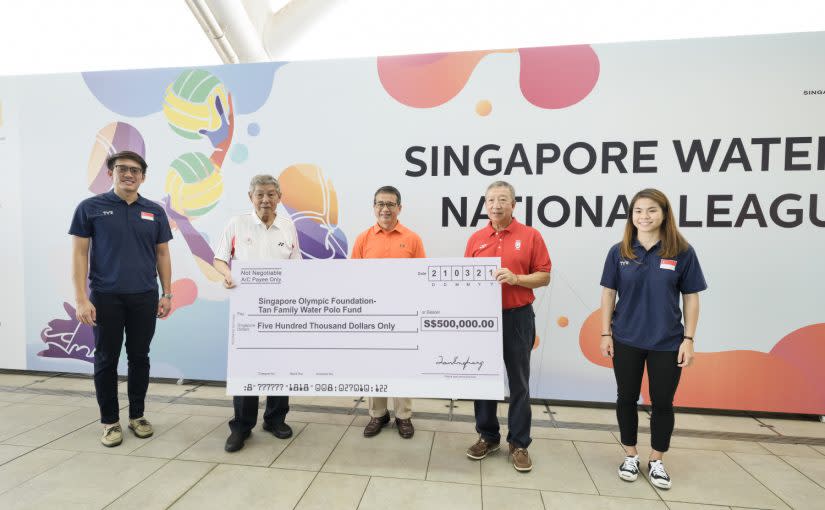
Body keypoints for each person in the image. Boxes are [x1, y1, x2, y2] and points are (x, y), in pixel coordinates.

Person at [599, 188, 706, 490]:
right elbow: (608, 293)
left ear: (664, 214)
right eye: (638, 211)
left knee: (662, 402)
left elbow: (691, 298)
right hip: (626, 338)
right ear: (631, 216)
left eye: (651, 211)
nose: (644, 217)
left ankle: (657, 459)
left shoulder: (682, 251)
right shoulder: (619, 251)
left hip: (667, 341)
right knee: (626, 398)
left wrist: (689, 339)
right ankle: (630, 454)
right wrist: (606, 333)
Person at [70, 150, 173, 447]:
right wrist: (81, 299)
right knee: (106, 359)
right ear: (110, 173)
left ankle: (137, 416)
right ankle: (110, 422)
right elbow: (79, 255)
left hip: (144, 296)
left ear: (143, 176)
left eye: (135, 170)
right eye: (122, 169)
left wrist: (167, 292)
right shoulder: (90, 208)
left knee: (140, 357)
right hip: (105, 297)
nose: (129, 174)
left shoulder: (154, 211)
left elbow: (162, 254)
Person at [464, 181, 551, 472]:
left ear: (514, 204)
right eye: (490, 200)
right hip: (482, 319)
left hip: (517, 317)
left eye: (503, 199)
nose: (496, 205)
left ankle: (519, 442)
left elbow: (544, 276)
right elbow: (464, 279)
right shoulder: (476, 238)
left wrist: (517, 279)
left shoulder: (530, 236)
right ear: (485, 205)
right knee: (484, 380)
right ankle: (488, 436)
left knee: (519, 382)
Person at [214, 174, 301, 452]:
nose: (265, 199)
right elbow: (219, 259)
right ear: (250, 197)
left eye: (271, 194)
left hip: (281, 311)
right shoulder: (236, 224)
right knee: (246, 369)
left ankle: (275, 419)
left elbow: (297, 266)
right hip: (247, 312)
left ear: (279, 198)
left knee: (279, 366)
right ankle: (241, 425)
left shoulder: (288, 227)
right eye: (260, 194)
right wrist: (227, 275)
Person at [351, 185, 426, 439]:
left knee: (402, 364)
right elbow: (352, 277)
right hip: (372, 315)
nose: (385, 208)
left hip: (403, 313)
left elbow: (422, 277)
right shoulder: (363, 238)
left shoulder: (413, 238)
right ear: (374, 208)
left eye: (390, 204)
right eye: (380, 204)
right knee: (375, 365)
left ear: (399, 208)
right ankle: (378, 414)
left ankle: (403, 416)